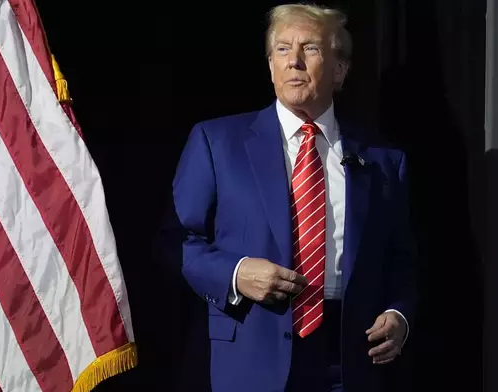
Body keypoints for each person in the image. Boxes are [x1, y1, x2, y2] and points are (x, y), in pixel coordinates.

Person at [166, 4, 418, 391]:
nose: (294, 62)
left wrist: (399, 314)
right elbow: (175, 242)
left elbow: (403, 257)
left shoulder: (385, 160)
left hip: (349, 359)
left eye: (311, 49)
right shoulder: (217, 142)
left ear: (340, 70)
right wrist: (236, 274)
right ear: (269, 66)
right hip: (250, 352)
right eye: (282, 50)